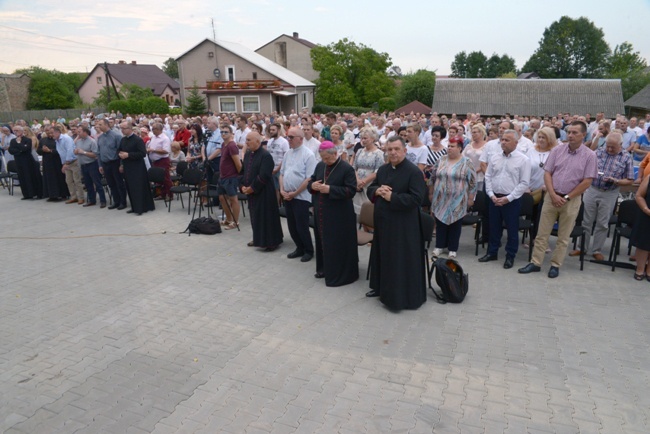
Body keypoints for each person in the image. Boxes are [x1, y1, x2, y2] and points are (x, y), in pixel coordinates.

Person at [519, 121, 597, 278]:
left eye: (575, 132)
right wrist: (553, 194)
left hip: (571, 200)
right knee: (542, 233)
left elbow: (587, 181)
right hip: (551, 197)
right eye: (569, 132)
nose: (571, 135)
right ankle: (536, 262)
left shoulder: (590, 155)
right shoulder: (557, 150)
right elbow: (547, 173)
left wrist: (567, 197)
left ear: (583, 135)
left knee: (563, 236)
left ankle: (555, 265)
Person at [366, 135, 427, 310]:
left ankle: (398, 298)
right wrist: (377, 190)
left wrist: (392, 197)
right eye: (389, 149)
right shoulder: (383, 169)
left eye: (396, 149)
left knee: (398, 260)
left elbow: (417, 199)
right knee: (382, 256)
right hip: (384, 223)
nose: (393, 152)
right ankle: (380, 288)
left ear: (405, 151)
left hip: (403, 227)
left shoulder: (414, 172)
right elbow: (371, 187)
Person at [569, 131, 634, 261]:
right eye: (608, 146)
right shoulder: (598, 152)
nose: (609, 149)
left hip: (610, 192)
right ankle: (582, 248)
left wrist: (617, 181)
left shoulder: (626, 157)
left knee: (603, 223)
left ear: (620, 145)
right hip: (592, 189)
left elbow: (630, 179)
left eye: (613, 147)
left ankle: (596, 250)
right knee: (586, 220)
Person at [308, 141, 359, 287]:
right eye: (323, 158)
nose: (325, 161)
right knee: (322, 241)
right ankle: (324, 269)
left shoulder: (346, 168)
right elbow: (311, 180)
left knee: (336, 244)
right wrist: (313, 185)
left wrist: (330, 189)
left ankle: (339, 274)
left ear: (335, 154)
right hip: (321, 213)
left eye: (327, 158)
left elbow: (351, 190)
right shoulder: (320, 165)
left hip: (339, 215)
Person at [480, 130, 531, 269]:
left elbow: (524, 183)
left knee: (512, 229)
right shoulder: (495, 157)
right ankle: (492, 252)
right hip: (494, 197)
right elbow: (488, 176)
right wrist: (491, 194)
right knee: (494, 227)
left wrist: (508, 198)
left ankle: (510, 256)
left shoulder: (523, 160)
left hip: (511, 200)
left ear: (516, 142)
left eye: (507, 140)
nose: (503, 142)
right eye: (502, 139)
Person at [430, 136, 477, 259]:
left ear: (460, 148)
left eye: (452, 146)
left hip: (458, 199)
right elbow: (433, 177)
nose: (449, 148)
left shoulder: (467, 162)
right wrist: (430, 193)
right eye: (448, 146)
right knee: (440, 222)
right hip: (440, 198)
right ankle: (439, 246)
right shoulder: (441, 160)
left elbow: (472, 182)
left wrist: (471, 198)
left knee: (455, 223)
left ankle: (452, 248)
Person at [241, 132, 283, 251]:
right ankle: (257, 238)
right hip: (251, 192)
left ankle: (270, 242)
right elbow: (243, 171)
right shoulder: (249, 154)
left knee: (265, 217)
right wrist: (243, 185)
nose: (246, 143)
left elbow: (264, 175)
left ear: (257, 142)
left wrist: (252, 188)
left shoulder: (266, 155)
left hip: (264, 192)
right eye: (246, 140)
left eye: (249, 140)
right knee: (255, 216)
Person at [280, 127, 317, 262]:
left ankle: (308, 250)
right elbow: (282, 173)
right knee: (292, 225)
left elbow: (309, 178)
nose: (288, 139)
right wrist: (282, 189)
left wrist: (295, 193)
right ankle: (299, 247)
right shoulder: (288, 153)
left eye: (291, 137)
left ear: (300, 139)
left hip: (301, 196)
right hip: (287, 194)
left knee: (301, 225)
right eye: (287, 137)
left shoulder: (308, 155)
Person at [118, 121, 155, 215]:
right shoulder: (123, 140)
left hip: (137, 168)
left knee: (137, 187)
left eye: (124, 128)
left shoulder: (137, 139)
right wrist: (120, 157)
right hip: (127, 167)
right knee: (130, 187)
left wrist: (129, 155)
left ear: (130, 129)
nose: (122, 130)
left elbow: (142, 153)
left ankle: (141, 208)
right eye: (121, 128)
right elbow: (119, 150)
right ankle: (134, 207)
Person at [352, 127, 385, 215]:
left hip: (369, 185)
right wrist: (357, 181)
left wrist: (364, 181)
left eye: (365, 138)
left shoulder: (379, 153)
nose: (363, 140)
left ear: (373, 139)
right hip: (358, 184)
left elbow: (378, 171)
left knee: (367, 211)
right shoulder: (359, 151)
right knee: (356, 210)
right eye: (362, 138)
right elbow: (354, 167)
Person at [96, 118, 127, 210]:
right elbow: (99, 152)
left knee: (119, 183)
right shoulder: (100, 137)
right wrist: (100, 165)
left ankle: (123, 202)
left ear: (106, 125)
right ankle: (116, 201)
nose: (98, 126)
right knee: (111, 184)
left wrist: (121, 164)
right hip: (105, 163)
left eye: (100, 124)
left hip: (115, 162)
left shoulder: (116, 136)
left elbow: (121, 150)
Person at [74, 126, 106, 207]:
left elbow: (95, 155)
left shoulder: (92, 141)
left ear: (85, 132)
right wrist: (76, 152)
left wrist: (83, 152)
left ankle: (103, 201)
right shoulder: (78, 141)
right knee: (88, 184)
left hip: (92, 164)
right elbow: (76, 150)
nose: (78, 133)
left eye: (80, 131)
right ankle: (92, 200)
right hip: (83, 165)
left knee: (97, 183)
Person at [8, 125, 42, 200]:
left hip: (28, 161)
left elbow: (26, 149)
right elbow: (11, 150)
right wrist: (20, 150)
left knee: (30, 177)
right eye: (14, 131)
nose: (16, 132)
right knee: (22, 177)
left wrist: (19, 143)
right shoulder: (13, 141)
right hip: (18, 161)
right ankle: (26, 194)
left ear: (22, 131)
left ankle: (34, 193)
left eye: (17, 130)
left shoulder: (27, 140)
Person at [53, 125, 85, 205]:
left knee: (77, 180)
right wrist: (64, 163)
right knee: (68, 181)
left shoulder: (66, 138)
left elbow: (70, 150)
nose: (51, 135)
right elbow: (61, 153)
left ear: (57, 132)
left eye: (52, 133)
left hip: (73, 162)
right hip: (66, 163)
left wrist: (66, 163)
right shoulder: (57, 141)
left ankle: (81, 197)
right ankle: (73, 197)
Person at [218, 125, 242, 230]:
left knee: (233, 199)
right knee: (222, 198)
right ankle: (228, 219)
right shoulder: (224, 144)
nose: (223, 134)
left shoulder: (232, 145)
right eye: (222, 132)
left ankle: (235, 221)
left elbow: (238, 164)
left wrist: (238, 177)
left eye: (226, 132)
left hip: (231, 177)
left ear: (231, 133)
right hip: (222, 176)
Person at [37, 125, 68, 201]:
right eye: (47, 131)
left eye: (51, 132)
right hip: (47, 162)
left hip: (57, 161)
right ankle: (52, 195)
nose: (49, 133)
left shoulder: (58, 140)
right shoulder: (43, 140)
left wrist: (50, 151)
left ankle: (63, 194)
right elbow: (38, 150)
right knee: (49, 179)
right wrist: (43, 150)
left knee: (60, 178)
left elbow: (62, 150)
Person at [631, 174, 650, 280]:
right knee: (643, 243)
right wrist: (646, 210)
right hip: (646, 214)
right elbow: (639, 195)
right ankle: (640, 269)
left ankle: (649, 271)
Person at [147, 122, 172, 201]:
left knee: (165, 178)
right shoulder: (153, 137)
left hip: (163, 160)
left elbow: (166, 151)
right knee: (158, 179)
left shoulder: (165, 138)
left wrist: (153, 150)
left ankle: (169, 194)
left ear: (158, 129)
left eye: (154, 129)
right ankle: (161, 194)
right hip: (155, 161)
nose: (152, 130)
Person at [462, 124, 487, 190]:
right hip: (468, 174)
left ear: (481, 133)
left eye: (475, 132)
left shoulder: (487, 146)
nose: (473, 134)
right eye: (472, 133)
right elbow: (462, 158)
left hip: (480, 176)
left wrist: (476, 171)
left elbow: (488, 162)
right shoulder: (469, 145)